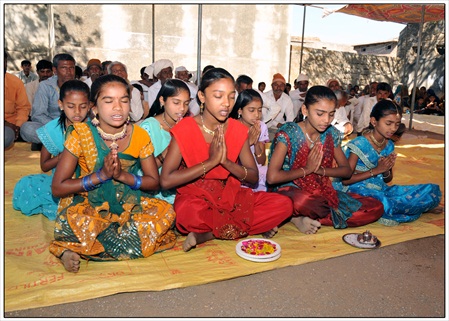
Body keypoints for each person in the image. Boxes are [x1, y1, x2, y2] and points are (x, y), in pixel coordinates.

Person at [49, 74, 177, 273]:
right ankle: (69, 250)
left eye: (123, 100)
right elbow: (58, 187)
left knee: (166, 213)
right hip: (89, 203)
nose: (117, 107)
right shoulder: (80, 134)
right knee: (72, 220)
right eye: (108, 101)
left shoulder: (140, 135)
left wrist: (122, 176)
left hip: (130, 201)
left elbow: (154, 183)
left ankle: (85, 247)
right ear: (94, 108)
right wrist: (100, 176)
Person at [160, 68, 293, 252]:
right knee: (187, 215)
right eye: (218, 96)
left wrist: (226, 163)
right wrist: (211, 162)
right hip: (196, 197)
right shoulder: (185, 128)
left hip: (230, 196)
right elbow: (166, 180)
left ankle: (208, 234)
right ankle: (241, 226)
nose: (226, 104)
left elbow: (253, 176)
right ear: (202, 96)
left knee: (283, 205)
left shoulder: (238, 129)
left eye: (231, 97)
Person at [266, 85, 384, 235]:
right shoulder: (289, 133)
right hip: (290, 188)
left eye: (331, 114)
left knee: (375, 208)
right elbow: (272, 178)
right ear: (305, 110)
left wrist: (319, 170)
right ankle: (295, 217)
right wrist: (306, 170)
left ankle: (293, 216)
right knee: (303, 201)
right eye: (320, 114)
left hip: (320, 190)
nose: (326, 120)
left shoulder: (331, 134)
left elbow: (346, 171)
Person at [334, 100, 442, 226]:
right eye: (389, 123)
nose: (393, 129)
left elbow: (387, 179)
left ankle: (417, 206)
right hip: (356, 189)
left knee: (431, 190)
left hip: (381, 188)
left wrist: (386, 169)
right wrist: (376, 170)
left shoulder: (389, 144)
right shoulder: (359, 143)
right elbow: (346, 180)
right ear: (374, 121)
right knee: (384, 203)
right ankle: (419, 206)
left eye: (397, 124)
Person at [13, 80, 91, 220]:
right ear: (61, 104)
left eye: (83, 106)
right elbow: (44, 166)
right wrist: (63, 157)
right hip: (60, 183)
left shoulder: (94, 128)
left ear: (90, 106)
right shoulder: (52, 129)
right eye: (71, 106)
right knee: (26, 184)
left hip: (87, 182)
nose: (77, 112)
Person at [139, 78, 191, 204]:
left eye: (186, 103)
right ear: (162, 100)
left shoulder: (187, 125)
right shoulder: (148, 128)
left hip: (182, 187)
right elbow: (145, 172)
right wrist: (172, 146)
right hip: (156, 194)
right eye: (176, 102)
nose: (182, 109)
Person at [20, 53, 76, 148]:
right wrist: (60, 126)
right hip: (52, 126)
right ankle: (68, 143)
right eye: (64, 68)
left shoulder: (81, 87)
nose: (69, 72)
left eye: (72, 68)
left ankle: (55, 144)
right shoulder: (45, 86)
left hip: (76, 127)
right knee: (27, 128)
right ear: (55, 70)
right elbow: (38, 114)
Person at [229, 89, 269, 192]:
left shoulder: (261, 126)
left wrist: (256, 143)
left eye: (259, 110)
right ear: (240, 110)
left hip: (256, 169)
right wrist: (248, 142)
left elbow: (261, 161)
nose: (257, 115)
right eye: (251, 110)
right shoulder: (231, 126)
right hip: (236, 170)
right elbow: (230, 159)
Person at [4, 51, 32, 149]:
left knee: (6, 137)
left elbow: (23, 107)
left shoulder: (15, 82)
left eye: (4, 62)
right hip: (6, 123)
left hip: (10, 125)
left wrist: (18, 126)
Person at [265, 73, 295, 140]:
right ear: (272, 85)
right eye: (276, 85)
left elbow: (290, 118)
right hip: (265, 128)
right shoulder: (265, 96)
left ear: (284, 87)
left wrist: (288, 129)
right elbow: (264, 117)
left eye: (281, 85)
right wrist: (277, 124)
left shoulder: (287, 99)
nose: (278, 88)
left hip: (280, 129)